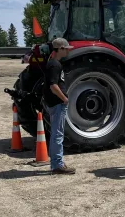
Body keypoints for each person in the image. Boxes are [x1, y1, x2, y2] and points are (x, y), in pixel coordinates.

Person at [43, 37, 76, 175]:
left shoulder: (52, 63)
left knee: (56, 133)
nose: (68, 51)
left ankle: (56, 163)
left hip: (55, 103)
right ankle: (57, 164)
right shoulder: (55, 65)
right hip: (57, 103)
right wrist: (64, 99)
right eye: (66, 48)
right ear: (60, 49)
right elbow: (53, 86)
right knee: (58, 134)